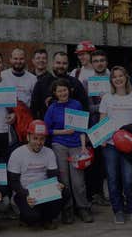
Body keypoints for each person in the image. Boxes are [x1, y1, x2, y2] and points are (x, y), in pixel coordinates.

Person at [99, 66, 132, 224]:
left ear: (126, 77)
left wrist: (129, 136)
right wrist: (102, 138)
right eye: (114, 76)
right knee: (112, 179)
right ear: (111, 80)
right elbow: (103, 120)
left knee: (129, 179)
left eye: (120, 76)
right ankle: (117, 210)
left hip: (129, 146)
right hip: (110, 145)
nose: (118, 79)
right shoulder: (107, 98)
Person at [44, 79, 92, 223]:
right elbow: (47, 130)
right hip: (59, 145)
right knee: (63, 179)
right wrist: (63, 132)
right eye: (59, 91)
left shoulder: (76, 104)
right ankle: (67, 210)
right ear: (55, 93)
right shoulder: (52, 108)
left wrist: (83, 146)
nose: (62, 93)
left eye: (64, 90)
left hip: (76, 145)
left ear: (69, 90)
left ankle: (83, 208)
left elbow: (82, 128)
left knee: (78, 181)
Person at [7, 120, 64, 230]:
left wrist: (58, 184)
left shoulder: (49, 152)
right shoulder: (17, 154)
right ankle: (26, 218)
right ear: (28, 137)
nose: (38, 142)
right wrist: (26, 194)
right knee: (32, 217)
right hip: (23, 192)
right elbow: (13, 182)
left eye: (42, 139)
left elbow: (53, 175)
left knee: (64, 192)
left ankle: (47, 219)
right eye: (35, 138)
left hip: (44, 191)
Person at [84, 50, 110, 207]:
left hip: (113, 125)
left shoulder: (114, 79)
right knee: (96, 163)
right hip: (95, 127)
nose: (99, 63)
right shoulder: (87, 82)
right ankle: (96, 194)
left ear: (106, 62)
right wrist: (103, 105)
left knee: (110, 162)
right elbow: (86, 107)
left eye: (102, 60)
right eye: (96, 61)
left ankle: (114, 193)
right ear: (92, 63)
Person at [31, 52, 88, 120]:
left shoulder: (75, 83)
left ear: (68, 65)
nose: (61, 66)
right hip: (47, 124)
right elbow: (34, 108)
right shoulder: (41, 83)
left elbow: (85, 106)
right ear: (52, 63)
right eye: (58, 63)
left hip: (71, 124)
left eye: (64, 63)